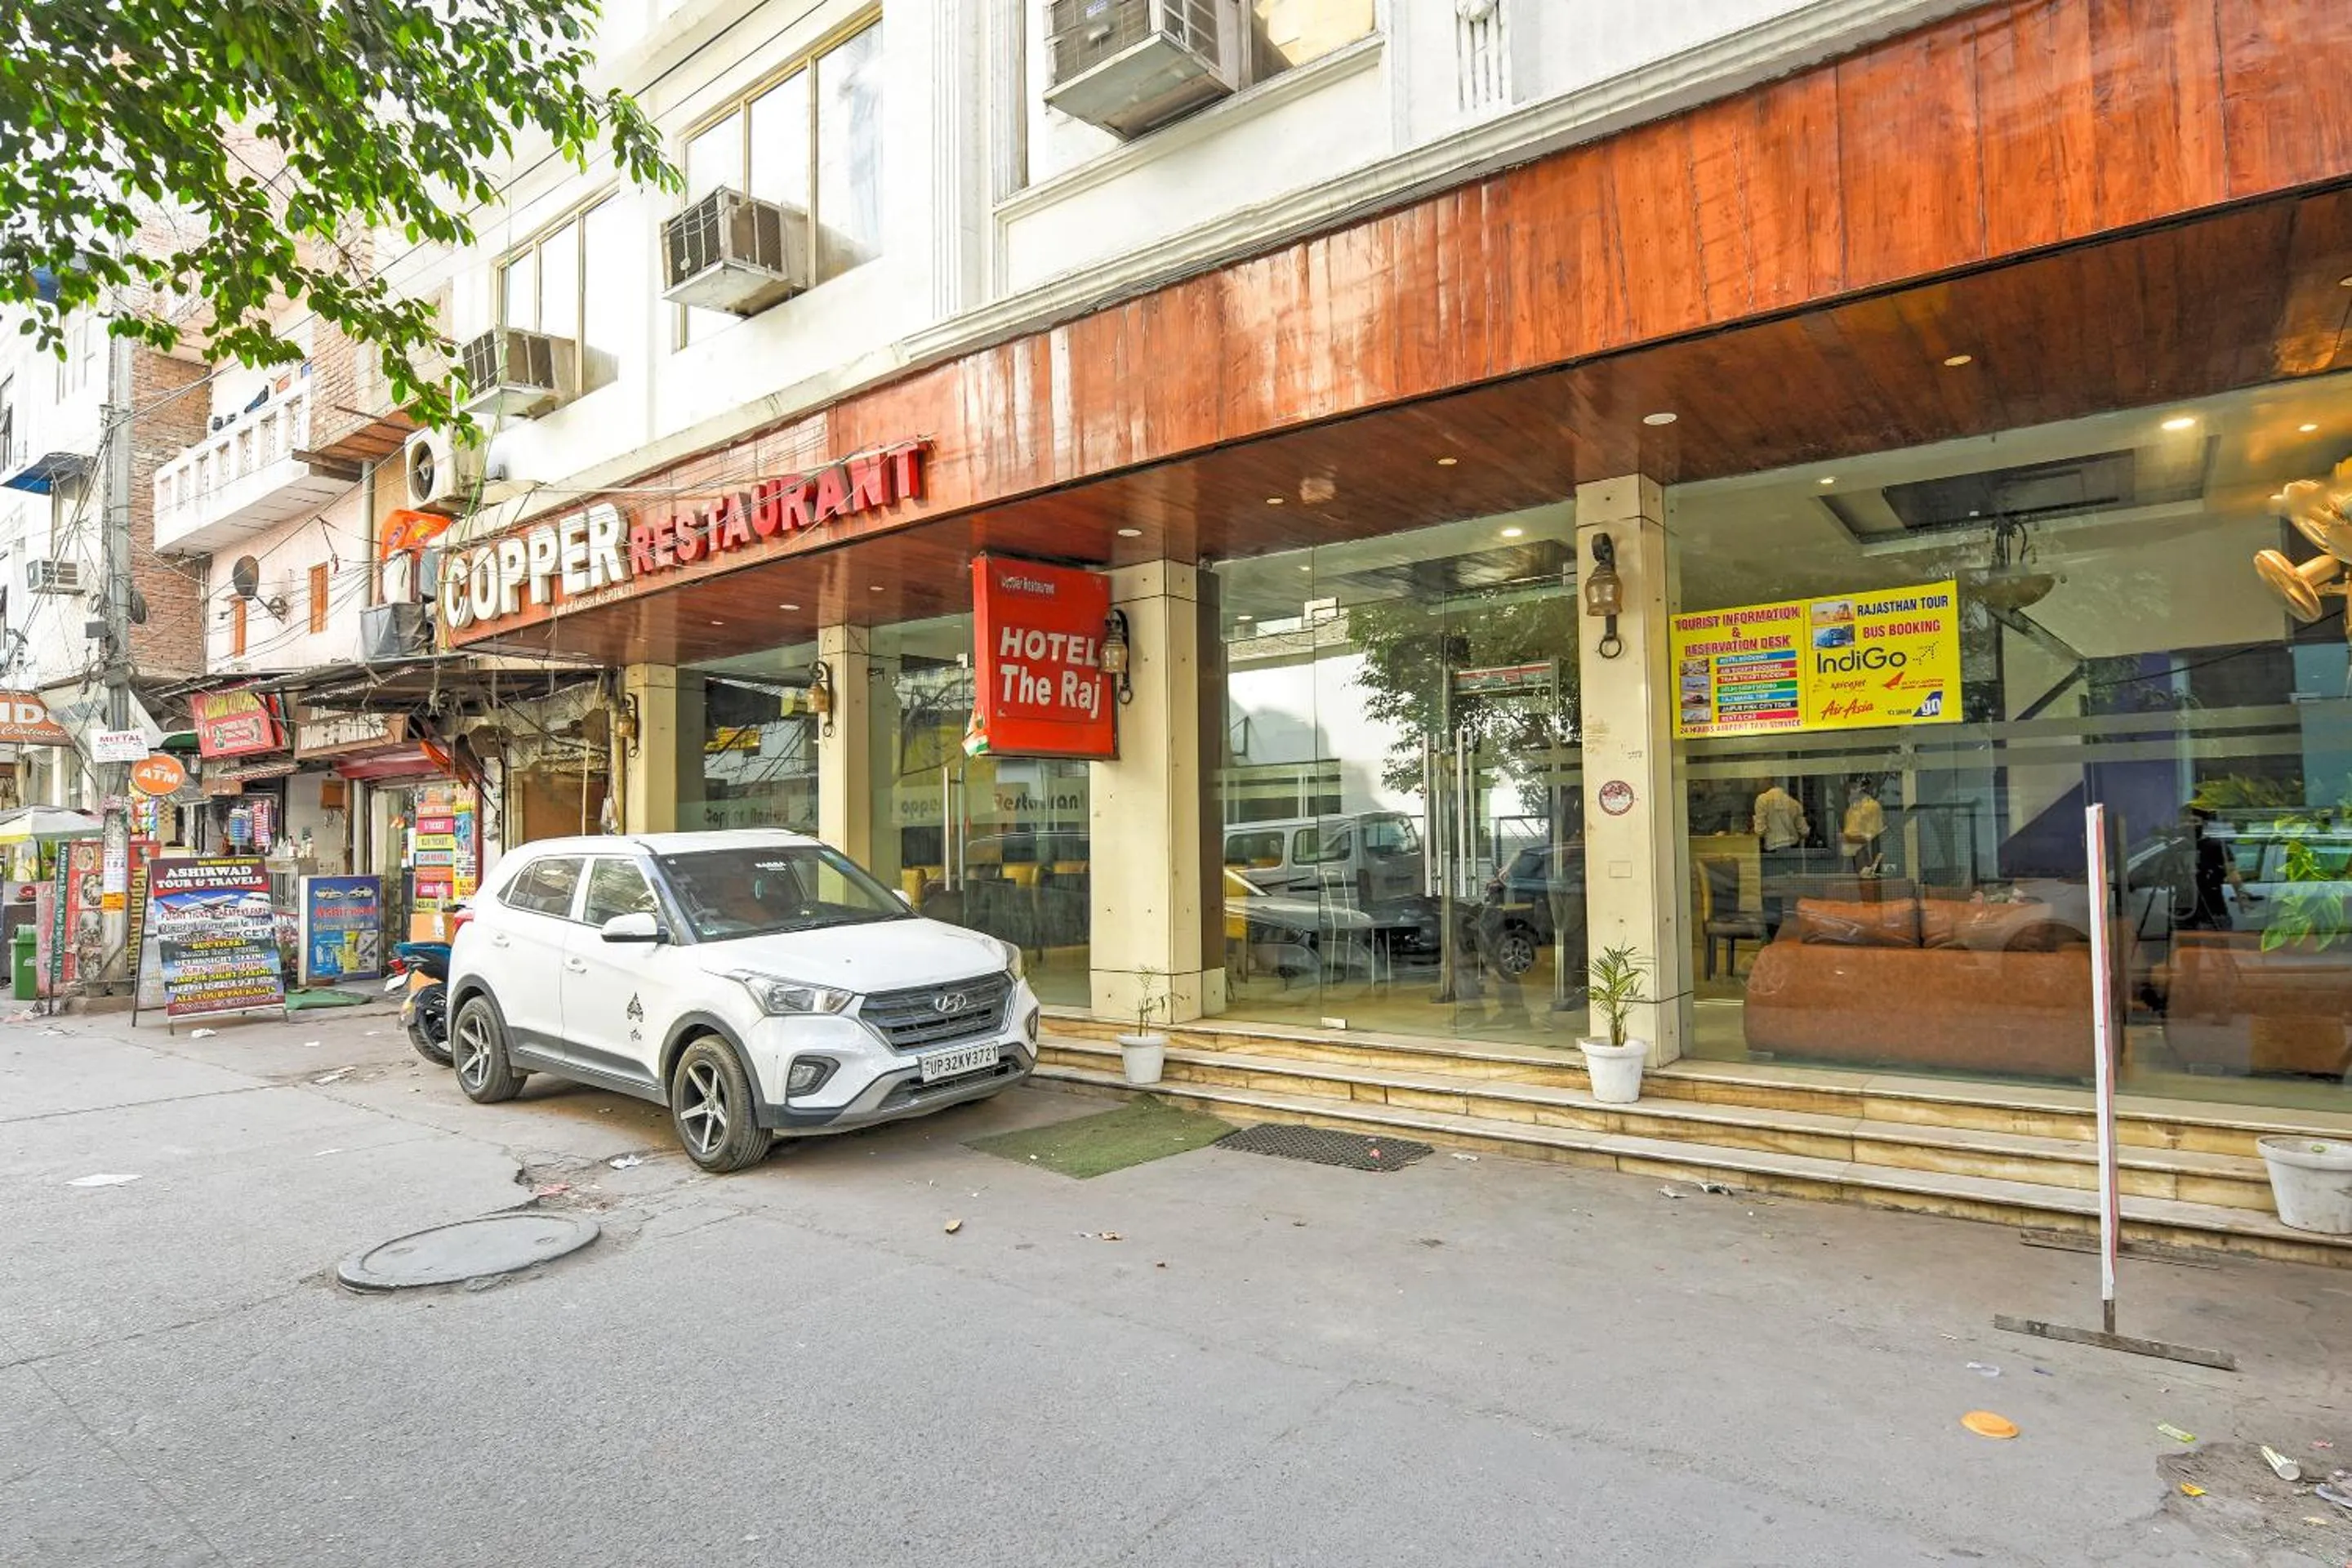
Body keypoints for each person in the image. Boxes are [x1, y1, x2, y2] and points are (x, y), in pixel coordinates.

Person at [1753, 780, 1808, 936]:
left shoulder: (1762, 800)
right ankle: (1796, 932)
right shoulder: (1794, 803)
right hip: (1792, 852)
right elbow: (1805, 831)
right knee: (1793, 893)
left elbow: (1760, 830)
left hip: (1773, 851)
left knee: (1772, 896)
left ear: (1764, 783)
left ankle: (1773, 935)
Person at [1841, 777, 1886, 875]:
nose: (1849, 792)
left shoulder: (1871, 806)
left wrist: (1855, 839)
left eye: (1853, 788)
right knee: (1849, 879)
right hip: (1849, 849)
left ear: (1861, 789)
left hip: (1862, 848)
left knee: (1865, 877)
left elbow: (1874, 832)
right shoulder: (1852, 808)